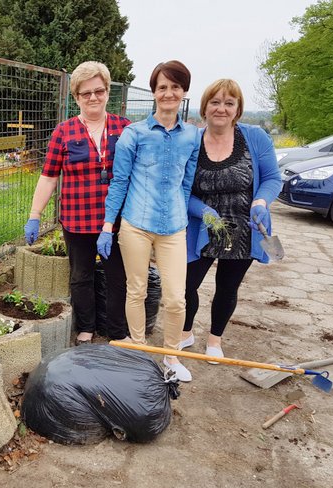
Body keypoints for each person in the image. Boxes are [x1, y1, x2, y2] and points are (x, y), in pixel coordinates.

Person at [99, 60, 200, 382]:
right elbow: (119, 182)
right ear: (154, 93)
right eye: (162, 87)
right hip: (135, 225)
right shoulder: (135, 134)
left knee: (175, 297)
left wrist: (180, 212)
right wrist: (107, 225)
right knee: (137, 291)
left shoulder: (192, 136)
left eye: (175, 87)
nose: (168, 93)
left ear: (183, 92)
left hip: (173, 228)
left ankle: (171, 355)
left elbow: (187, 182)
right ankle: (140, 348)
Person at [24, 61, 130, 345]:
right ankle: (86, 327)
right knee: (81, 276)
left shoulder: (126, 128)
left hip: (116, 220)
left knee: (117, 278)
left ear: (108, 92)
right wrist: (35, 214)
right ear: (76, 97)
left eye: (98, 91)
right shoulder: (64, 132)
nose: (93, 97)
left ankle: (117, 331)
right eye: (86, 93)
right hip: (77, 218)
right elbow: (48, 177)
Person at [182, 79, 282, 362]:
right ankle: (186, 332)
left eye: (229, 103)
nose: (221, 109)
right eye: (215, 102)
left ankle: (214, 339)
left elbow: (273, 178)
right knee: (186, 286)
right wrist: (204, 212)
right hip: (203, 226)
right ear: (205, 107)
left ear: (237, 109)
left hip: (244, 226)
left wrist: (261, 201)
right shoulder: (191, 141)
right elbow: (180, 189)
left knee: (227, 287)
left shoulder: (255, 137)